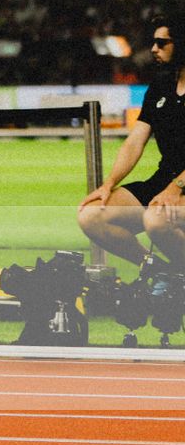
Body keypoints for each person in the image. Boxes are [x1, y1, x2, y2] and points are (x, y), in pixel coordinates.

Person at [78, 16, 185, 269]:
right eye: (153, 42)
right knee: (92, 215)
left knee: (157, 220)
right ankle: (157, 270)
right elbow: (135, 141)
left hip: (179, 184)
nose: (153, 49)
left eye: (162, 43)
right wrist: (109, 184)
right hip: (163, 180)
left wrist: (176, 186)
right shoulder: (160, 86)